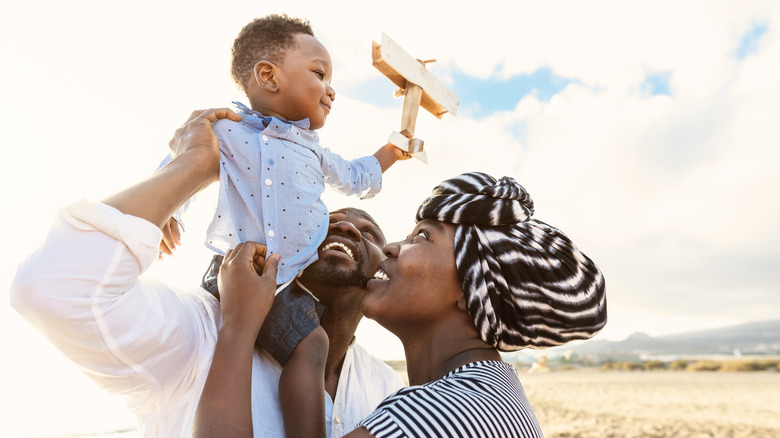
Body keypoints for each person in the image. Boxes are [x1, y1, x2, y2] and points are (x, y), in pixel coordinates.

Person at [10, 108, 404, 438]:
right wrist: (191, 168)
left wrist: (391, 151)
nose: (348, 227)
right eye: (326, 221)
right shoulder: (198, 330)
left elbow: (359, 173)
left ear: (382, 268)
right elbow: (50, 288)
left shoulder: (387, 388)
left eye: (368, 232)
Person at [202, 171, 608, 437]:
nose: (393, 247)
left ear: (472, 291)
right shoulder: (490, 396)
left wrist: (239, 326)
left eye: (422, 237)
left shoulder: (439, 414)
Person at [157, 15, 410, 437]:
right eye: (319, 73)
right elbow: (183, 163)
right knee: (313, 345)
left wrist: (390, 151)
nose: (331, 88)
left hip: (287, 278)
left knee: (312, 343)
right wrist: (169, 211)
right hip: (240, 270)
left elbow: (356, 176)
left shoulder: (314, 151)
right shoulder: (226, 130)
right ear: (268, 76)